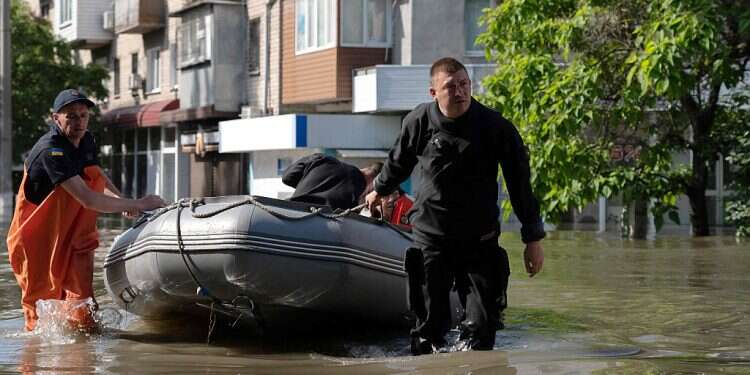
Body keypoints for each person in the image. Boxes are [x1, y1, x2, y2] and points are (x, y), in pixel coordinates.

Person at [366, 58, 545, 354]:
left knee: (483, 330)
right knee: (428, 332)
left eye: (465, 84)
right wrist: (379, 190)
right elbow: (398, 163)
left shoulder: (495, 127)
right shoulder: (418, 121)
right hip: (431, 238)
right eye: (451, 86)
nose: (460, 91)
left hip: (480, 240)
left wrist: (533, 238)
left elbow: (520, 185)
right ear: (434, 92)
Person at [6, 89, 166, 332]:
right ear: (55, 118)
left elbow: (96, 176)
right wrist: (139, 203)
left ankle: (82, 357)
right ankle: (34, 362)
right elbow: (88, 198)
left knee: (83, 308)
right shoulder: (51, 151)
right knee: (40, 313)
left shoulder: (86, 139)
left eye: (83, 115)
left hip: (74, 233)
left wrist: (122, 201)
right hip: (37, 240)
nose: (79, 121)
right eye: (70, 116)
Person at [282, 153, 382, 211]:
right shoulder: (355, 195)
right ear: (376, 184)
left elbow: (287, 177)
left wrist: (307, 186)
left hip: (287, 211)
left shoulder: (322, 159)